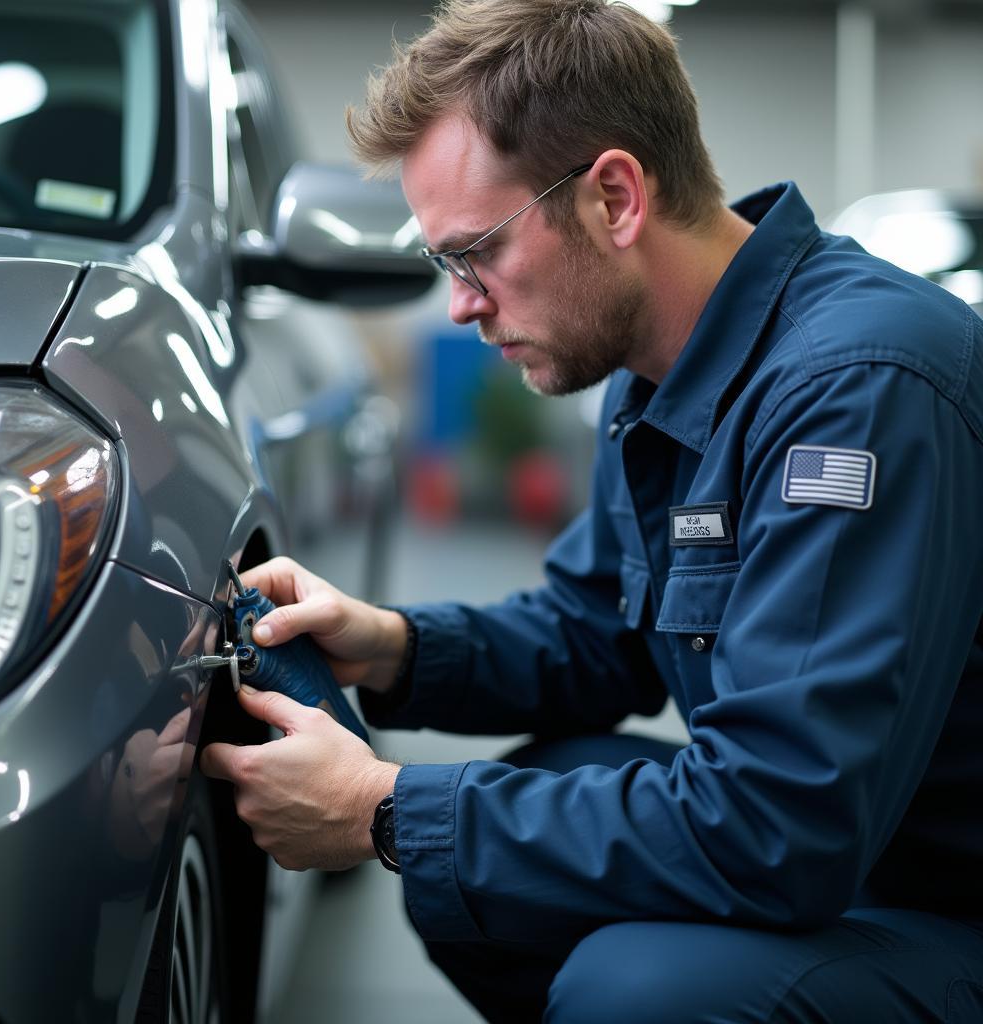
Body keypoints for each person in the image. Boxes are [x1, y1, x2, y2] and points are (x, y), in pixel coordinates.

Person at [200, 1, 983, 1019]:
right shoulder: (653, 375)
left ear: (613, 197)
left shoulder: (859, 387)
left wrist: (382, 806)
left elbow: (780, 825)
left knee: (633, 995)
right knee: (485, 875)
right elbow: (592, 631)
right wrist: (389, 645)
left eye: (474, 252)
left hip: (937, 903)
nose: (460, 304)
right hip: (850, 854)